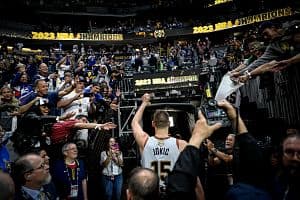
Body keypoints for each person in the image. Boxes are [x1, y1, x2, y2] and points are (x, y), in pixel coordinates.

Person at [131, 93, 187, 191]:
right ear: (169, 123)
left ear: (153, 123)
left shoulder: (145, 140)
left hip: (150, 191)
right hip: (173, 190)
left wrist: (144, 103)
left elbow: (134, 122)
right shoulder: (181, 144)